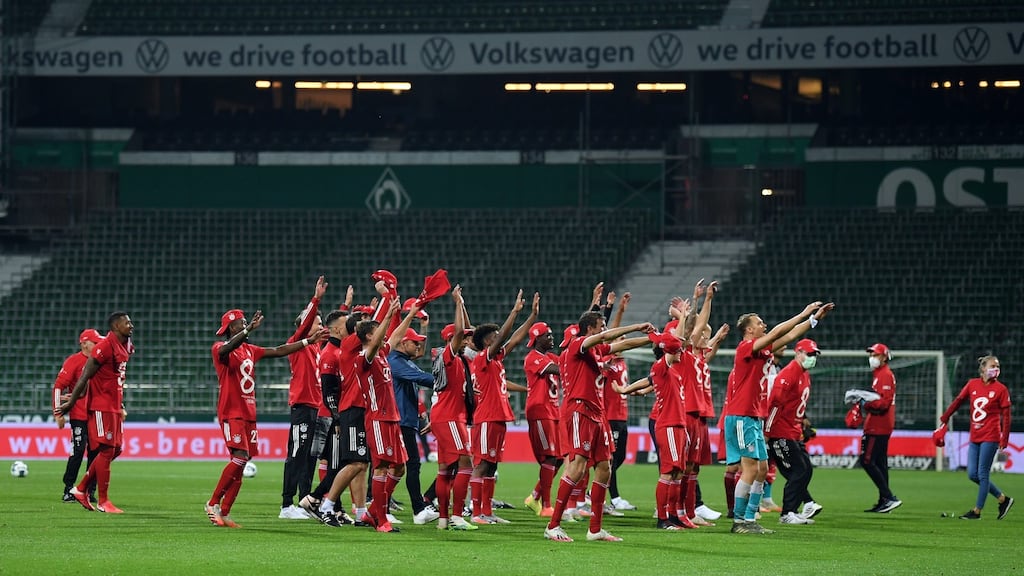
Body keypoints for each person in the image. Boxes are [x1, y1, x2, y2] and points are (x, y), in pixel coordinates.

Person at [206, 307, 326, 528]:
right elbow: (226, 349)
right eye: (241, 323)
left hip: (248, 412)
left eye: (245, 323)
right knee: (240, 457)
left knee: (243, 462)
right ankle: (213, 503)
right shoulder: (220, 349)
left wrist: (308, 342)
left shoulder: (250, 350)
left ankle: (225, 512)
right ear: (231, 327)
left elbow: (280, 350)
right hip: (231, 411)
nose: (244, 324)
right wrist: (248, 330)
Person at [543, 310, 655, 543]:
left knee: (605, 466)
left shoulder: (594, 352)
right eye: (601, 326)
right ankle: (553, 525)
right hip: (579, 410)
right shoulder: (577, 345)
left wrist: (654, 339)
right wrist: (635, 325)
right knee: (577, 467)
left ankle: (595, 529)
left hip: (597, 413)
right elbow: (608, 338)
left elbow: (621, 345)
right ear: (589, 329)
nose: (604, 330)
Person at [725, 301, 833, 534]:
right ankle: (739, 521)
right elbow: (778, 332)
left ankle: (750, 519)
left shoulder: (762, 350)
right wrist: (804, 312)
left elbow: (791, 334)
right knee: (751, 469)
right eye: (759, 322)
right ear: (749, 330)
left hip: (753, 416)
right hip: (742, 416)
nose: (763, 324)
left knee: (763, 469)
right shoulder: (745, 347)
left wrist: (814, 320)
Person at [469, 290, 538, 525]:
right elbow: (506, 336)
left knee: (492, 465)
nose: (500, 338)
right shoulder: (482, 359)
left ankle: (487, 511)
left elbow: (515, 339)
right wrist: (515, 312)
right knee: (482, 465)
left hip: (498, 416)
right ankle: (477, 512)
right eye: (496, 336)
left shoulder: (496, 359)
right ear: (488, 341)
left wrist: (531, 317)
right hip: (487, 417)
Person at [55, 312, 135, 514]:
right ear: (116, 326)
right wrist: (71, 402)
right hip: (101, 405)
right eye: (127, 323)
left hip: (114, 405)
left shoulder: (125, 345)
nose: (131, 325)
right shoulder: (104, 347)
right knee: (102, 450)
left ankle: (81, 488)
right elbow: (85, 377)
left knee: (116, 450)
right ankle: (102, 499)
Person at [359, 297, 424, 533]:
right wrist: (387, 315)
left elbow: (395, 337)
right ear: (369, 336)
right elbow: (381, 340)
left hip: (393, 418)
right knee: (381, 467)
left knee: (399, 468)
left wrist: (410, 313)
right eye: (378, 332)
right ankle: (381, 520)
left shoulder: (384, 354)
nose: (384, 335)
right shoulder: (364, 357)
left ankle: (371, 512)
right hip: (377, 417)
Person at [429, 285, 479, 530]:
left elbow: (470, 333)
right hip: (449, 417)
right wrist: (457, 302)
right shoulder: (447, 356)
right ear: (452, 340)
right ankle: (458, 516)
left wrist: (464, 305)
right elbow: (461, 330)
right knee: (465, 464)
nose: (468, 340)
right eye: (463, 338)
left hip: (447, 415)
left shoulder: (459, 359)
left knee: (446, 469)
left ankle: (443, 519)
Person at [940, 355, 1014, 520]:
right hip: (975, 435)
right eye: (993, 365)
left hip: (991, 436)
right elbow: (958, 401)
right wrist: (945, 417)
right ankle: (1003, 499)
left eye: (998, 366)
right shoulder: (972, 384)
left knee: (982, 473)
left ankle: (977, 511)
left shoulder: (1001, 389)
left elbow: (1007, 416)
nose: (996, 368)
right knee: (972, 474)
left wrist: (1004, 439)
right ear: (983, 369)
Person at [280, 276, 328, 519]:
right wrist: (316, 299)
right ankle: (286, 505)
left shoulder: (316, 349)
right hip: (301, 406)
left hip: (315, 408)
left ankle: (304, 501)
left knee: (309, 457)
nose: (319, 326)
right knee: (297, 454)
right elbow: (307, 322)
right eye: (316, 323)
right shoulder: (296, 345)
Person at [765, 339, 823, 525]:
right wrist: (768, 431)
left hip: (792, 431)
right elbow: (775, 404)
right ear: (798, 352)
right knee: (798, 471)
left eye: (814, 355)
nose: (812, 358)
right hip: (780, 432)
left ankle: (798, 508)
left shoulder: (804, 374)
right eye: (809, 354)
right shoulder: (788, 374)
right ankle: (787, 512)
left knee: (804, 470)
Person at [389, 320, 441, 525]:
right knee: (407, 465)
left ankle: (382, 506)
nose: (418, 346)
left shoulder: (405, 360)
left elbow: (419, 370)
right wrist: (450, 381)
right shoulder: (396, 361)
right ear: (402, 343)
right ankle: (417, 509)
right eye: (414, 342)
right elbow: (423, 378)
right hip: (400, 421)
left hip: (407, 420)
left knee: (404, 466)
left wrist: (424, 327)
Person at [54, 329, 103, 503]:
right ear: (83, 343)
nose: (98, 346)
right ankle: (68, 489)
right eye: (95, 343)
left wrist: (120, 407)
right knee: (78, 450)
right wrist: (58, 412)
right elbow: (59, 386)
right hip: (79, 415)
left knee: (96, 454)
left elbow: (110, 388)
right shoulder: (73, 361)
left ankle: (89, 491)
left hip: (97, 415)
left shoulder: (100, 361)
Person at [522, 320, 562, 518]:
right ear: (537, 339)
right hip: (540, 412)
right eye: (548, 335)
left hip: (554, 412)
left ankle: (535, 496)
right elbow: (560, 369)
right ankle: (546, 505)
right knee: (550, 457)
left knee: (560, 458)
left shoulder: (549, 356)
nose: (551, 338)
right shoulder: (533, 358)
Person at [858, 342, 902, 513]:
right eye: (871, 355)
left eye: (875, 355)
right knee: (880, 462)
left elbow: (883, 403)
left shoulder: (884, 375)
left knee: (867, 460)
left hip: (879, 425)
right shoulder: (879, 374)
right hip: (881, 424)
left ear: (884, 357)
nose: (872, 358)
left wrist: (865, 402)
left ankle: (889, 497)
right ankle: (885, 500)